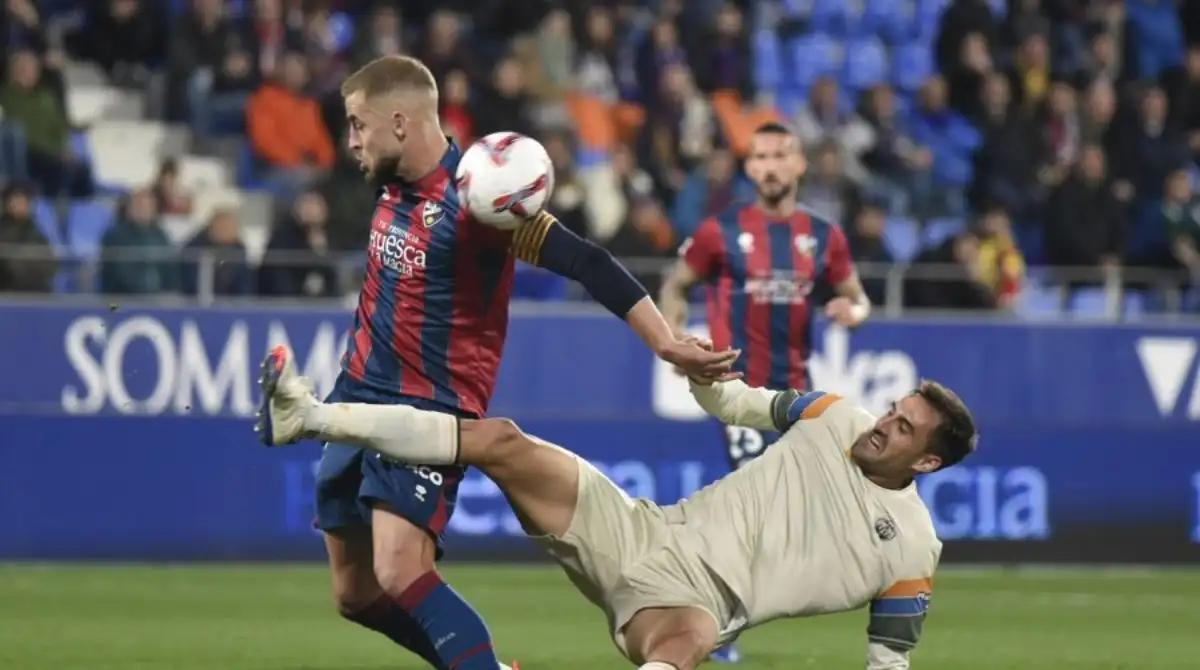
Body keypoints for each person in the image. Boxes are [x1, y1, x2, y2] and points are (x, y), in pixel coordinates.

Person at [279, 55, 737, 670]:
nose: (351, 140)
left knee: (399, 568)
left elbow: (587, 262)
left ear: (398, 122)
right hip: (353, 395)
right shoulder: (390, 179)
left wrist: (666, 341)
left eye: (358, 125)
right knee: (356, 594)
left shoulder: (480, 197)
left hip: (427, 408)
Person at [257, 341, 978, 670]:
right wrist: (699, 373)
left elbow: (889, 663)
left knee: (683, 653)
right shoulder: (834, 414)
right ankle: (310, 417)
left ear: (928, 461)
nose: (884, 423)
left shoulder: (912, 552)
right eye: (894, 409)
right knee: (504, 441)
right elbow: (732, 401)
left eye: (905, 428)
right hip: (640, 529)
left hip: (695, 605)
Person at [659, 121, 872, 663]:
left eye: (781, 155)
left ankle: (701, 606)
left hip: (796, 399)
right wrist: (674, 337)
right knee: (756, 506)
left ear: (799, 164)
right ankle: (713, 624)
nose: (771, 165)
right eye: (761, 156)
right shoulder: (720, 232)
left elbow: (858, 297)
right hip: (737, 391)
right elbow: (676, 284)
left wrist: (854, 311)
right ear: (749, 168)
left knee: (775, 517)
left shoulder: (823, 236)